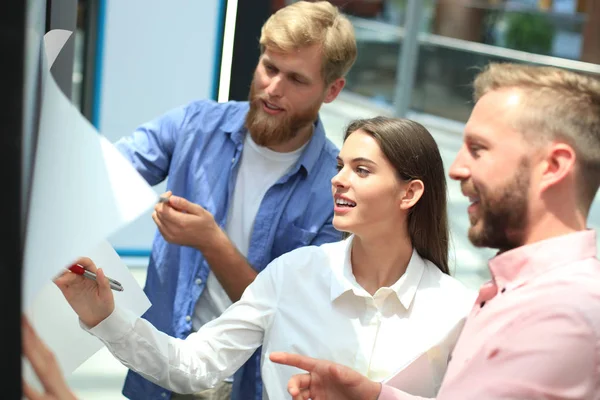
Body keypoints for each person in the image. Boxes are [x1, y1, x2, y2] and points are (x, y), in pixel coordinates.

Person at [55, 116, 475, 399]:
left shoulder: (457, 310)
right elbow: (194, 365)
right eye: (340, 165)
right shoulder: (292, 274)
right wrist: (105, 317)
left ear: (410, 193)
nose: (338, 180)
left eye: (361, 170)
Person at [270, 62, 600, 399]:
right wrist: (373, 395)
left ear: (554, 166)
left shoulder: (563, 315)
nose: (456, 169)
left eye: (478, 149)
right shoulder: (523, 295)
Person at [113, 2, 357, 399]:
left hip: (246, 385)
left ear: (332, 90)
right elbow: (110, 172)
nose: (273, 88)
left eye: (296, 79)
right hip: (158, 366)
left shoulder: (335, 189)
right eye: (269, 67)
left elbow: (290, 316)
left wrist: (211, 241)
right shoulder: (197, 126)